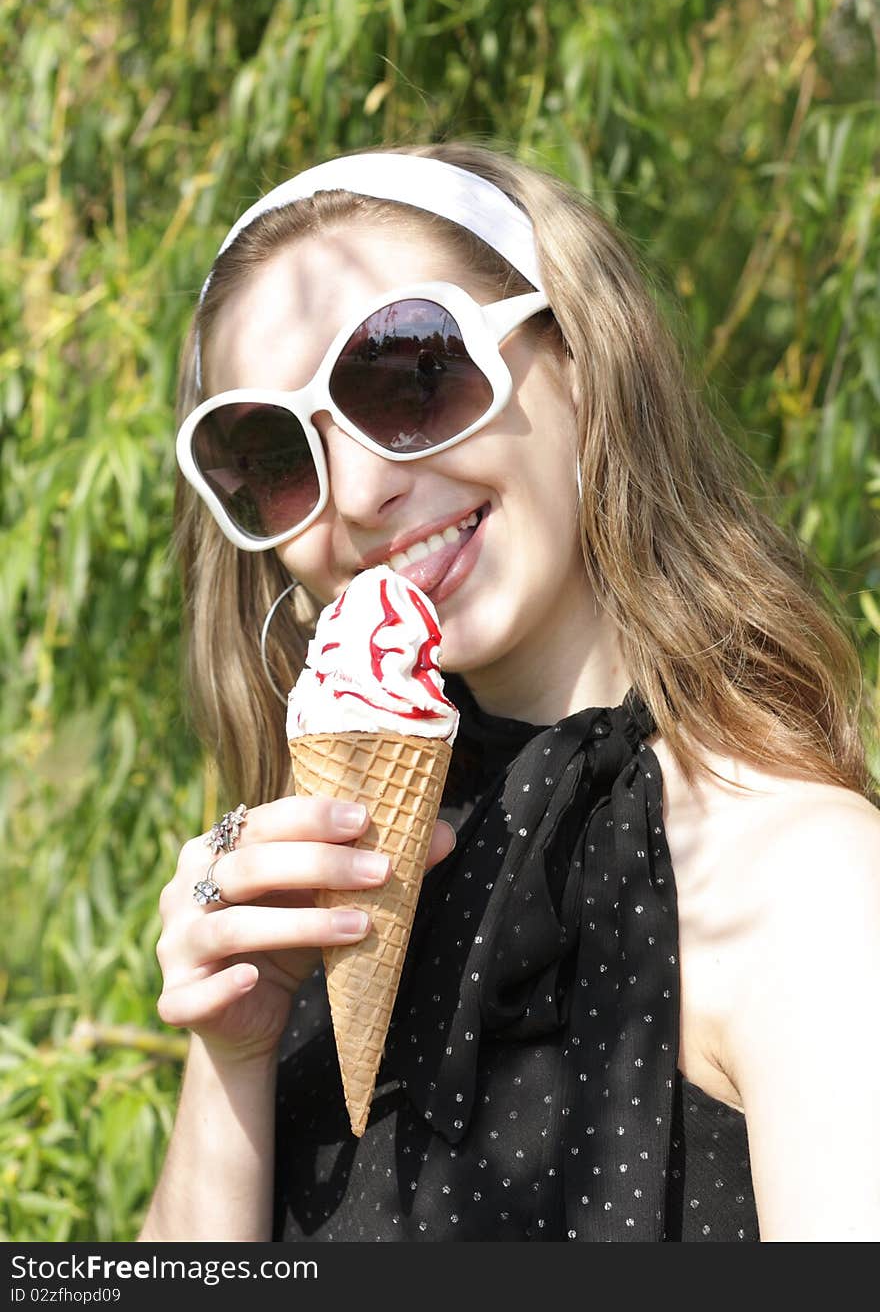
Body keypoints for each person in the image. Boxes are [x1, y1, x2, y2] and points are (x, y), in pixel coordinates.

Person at [139, 143, 880, 1243]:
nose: (356, 493)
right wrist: (234, 1055)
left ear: (581, 354)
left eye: (408, 372)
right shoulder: (329, 908)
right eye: (275, 454)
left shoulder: (801, 879)